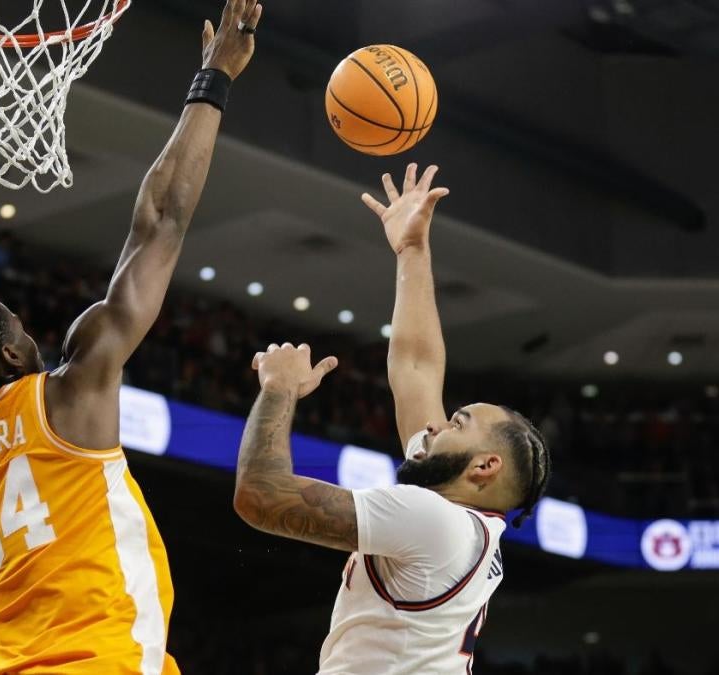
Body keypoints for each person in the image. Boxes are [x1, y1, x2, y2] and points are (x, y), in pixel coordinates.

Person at [0, 2, 262, 672]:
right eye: (17, 323)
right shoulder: (64, 400)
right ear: (10, 353)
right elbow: (161, 220)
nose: (27, 329)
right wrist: (215, 81)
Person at [232, 164, 550, 674]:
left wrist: (278, 389)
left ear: (484, 466)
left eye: (458, 423)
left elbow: (261, 497)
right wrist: (412, 250)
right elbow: (416, 369)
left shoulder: (434, 522)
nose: (436, 425)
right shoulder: (463, 523)